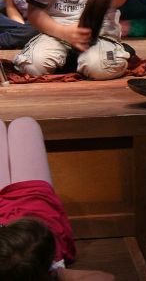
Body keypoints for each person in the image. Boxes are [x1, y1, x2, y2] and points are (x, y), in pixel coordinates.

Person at [0, 117, 113, 280]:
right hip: (34, 194)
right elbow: (106, 277)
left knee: (23, 125)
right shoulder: (48, 270)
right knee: (24, 124)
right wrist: (56, 273)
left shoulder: (36, 260)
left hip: (33, 196)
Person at [12, 0, 133, 80]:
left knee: (101, 68)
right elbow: (34, 12)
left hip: (99, 33)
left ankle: (92, 57)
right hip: (54, 32)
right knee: (32, 66)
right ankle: (72, 60)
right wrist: (63, 32)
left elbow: (117, 2)